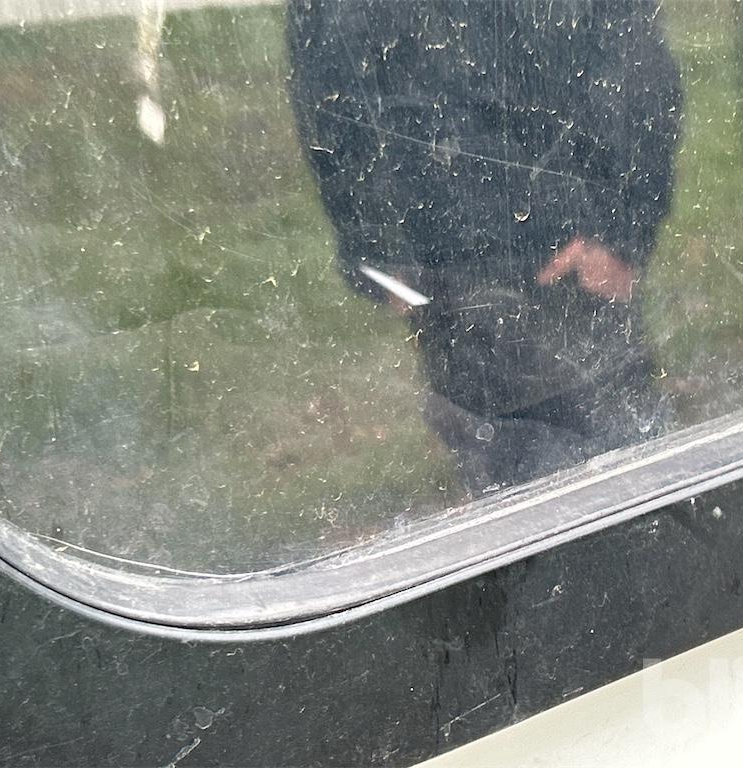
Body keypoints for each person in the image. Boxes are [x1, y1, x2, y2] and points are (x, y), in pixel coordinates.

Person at [287, 0, 683, 494]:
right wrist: (375, 249)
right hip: (441, 264)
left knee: (625, 471)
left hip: (568, 257)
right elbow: (327, 82)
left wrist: (619, 232)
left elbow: (635, 58)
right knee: (500, 478)